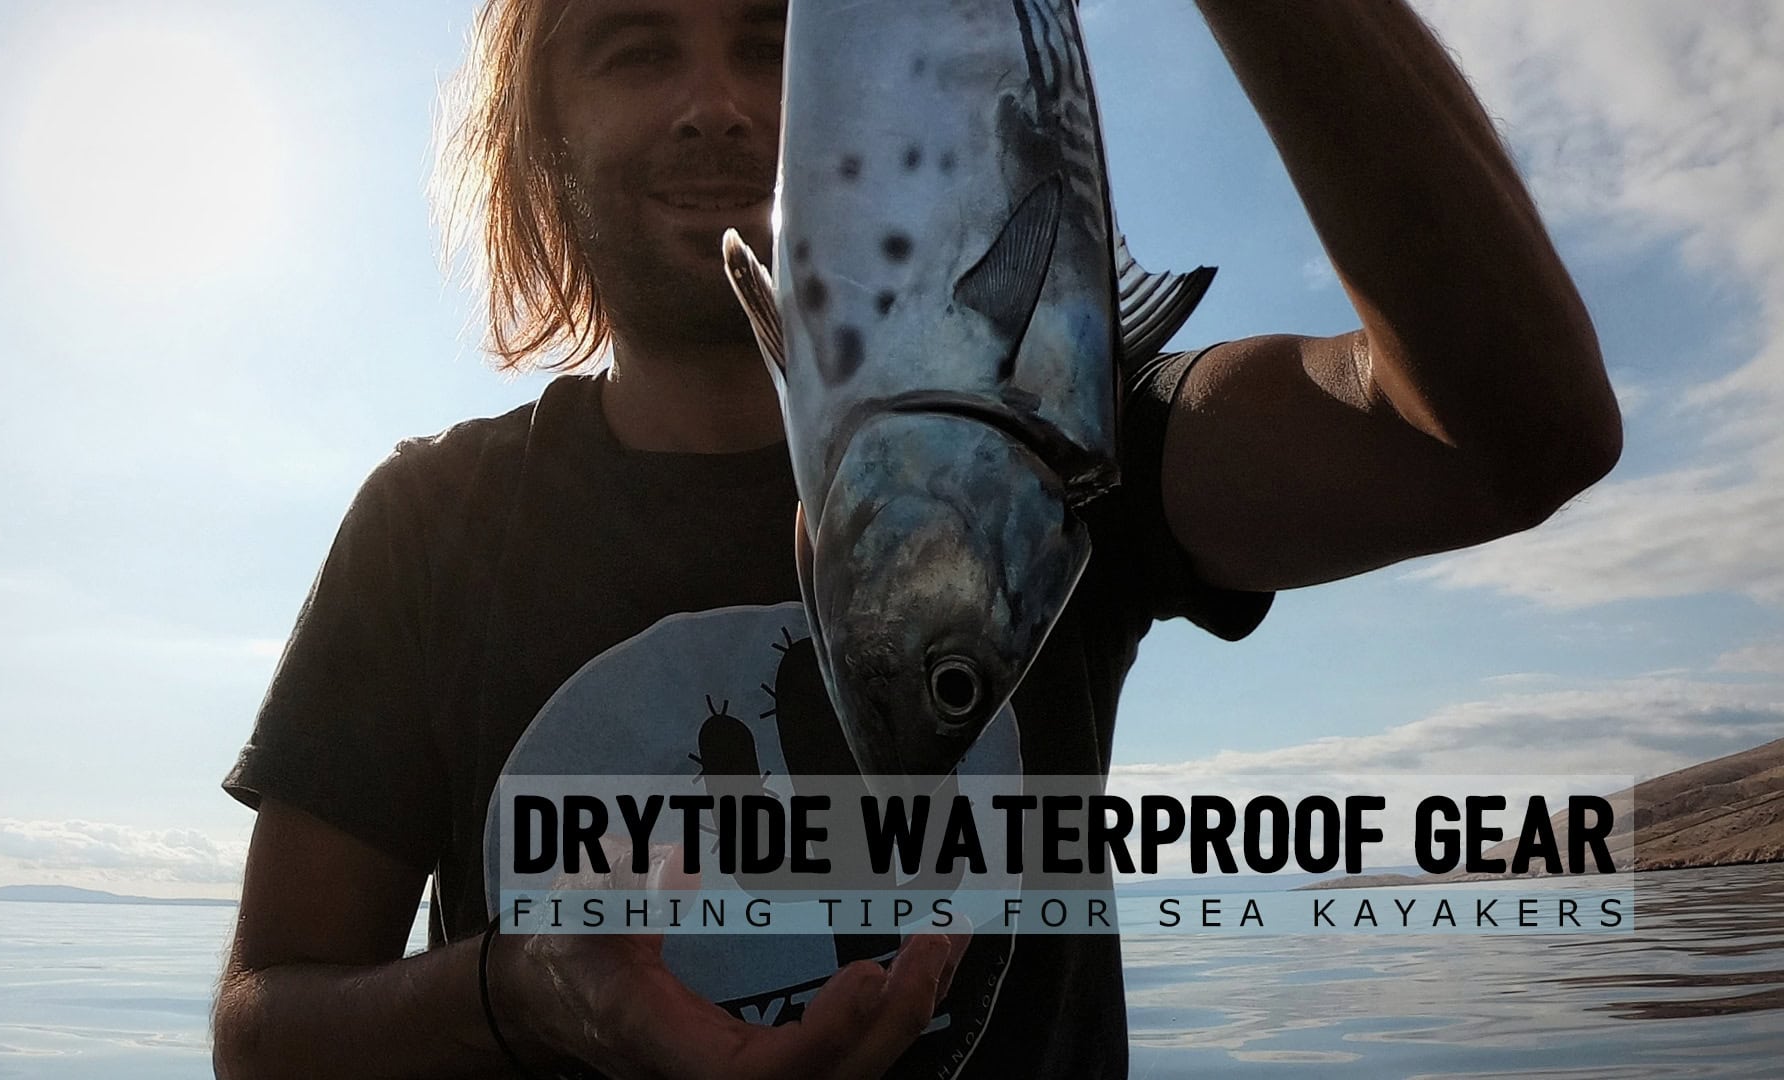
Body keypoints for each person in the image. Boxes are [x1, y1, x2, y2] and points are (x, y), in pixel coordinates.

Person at [209, 0, 1623, 1077]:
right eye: (636, 51)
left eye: (772, 43)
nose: (716, 106)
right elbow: (262, 1030)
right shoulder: (429, 525)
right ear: (538, 137)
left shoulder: (1082, 446)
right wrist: (514, 995)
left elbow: (1516, 438)